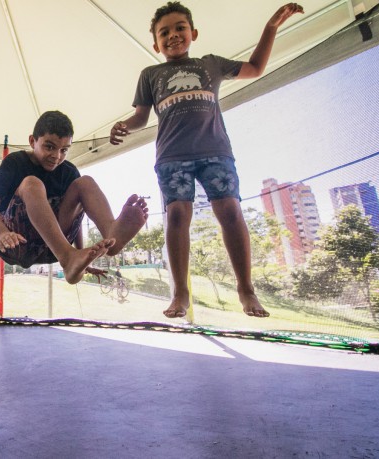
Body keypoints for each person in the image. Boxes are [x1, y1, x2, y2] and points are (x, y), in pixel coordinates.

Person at [110, 2, 304, 318]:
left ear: (193, 33)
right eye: (164, 32)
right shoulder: (151, 74)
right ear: (156, 44)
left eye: (179, 28)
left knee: (229, 209)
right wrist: (123, 127)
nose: (173, 35)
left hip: (216, 152)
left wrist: (270, 28)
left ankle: (246, 289)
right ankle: (181, 293)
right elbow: (141, 117)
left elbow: (255, 68)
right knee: (176, 216)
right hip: (173, 156)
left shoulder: (211, 64)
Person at [0, 110, 148, 285]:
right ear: (32, 141)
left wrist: (82, 258)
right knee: (32, 183)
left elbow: (77, 214)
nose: (56, 156)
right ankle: (67, 257)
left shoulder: (68, 171)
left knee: (85, 183)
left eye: (64, 150)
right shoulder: (15, 162)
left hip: (53, 246)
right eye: (49, 147)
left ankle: (111, 233)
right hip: (18, 243)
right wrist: (1, 233)